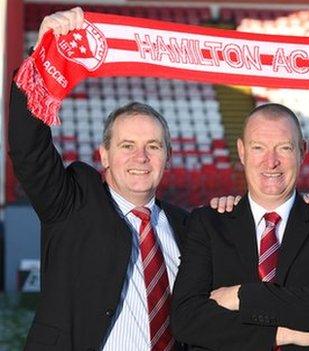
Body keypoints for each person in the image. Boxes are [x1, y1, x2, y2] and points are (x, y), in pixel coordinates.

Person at [9, 7, 188, 350]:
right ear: (103, 155)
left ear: (168, 155)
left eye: (153, 145)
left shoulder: (188, 227)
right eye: (127, 145)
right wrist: (41, 58)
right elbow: (27, 147)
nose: (141, 157)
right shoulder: (72, 203)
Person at [171, 103, 309, 350]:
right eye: (258, 148)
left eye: (284, 148)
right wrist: (281, 335)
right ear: (241, 151)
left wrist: (241, 296)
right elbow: (188, 320)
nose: (271, 162)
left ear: (302, 151)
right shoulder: (209, 223)